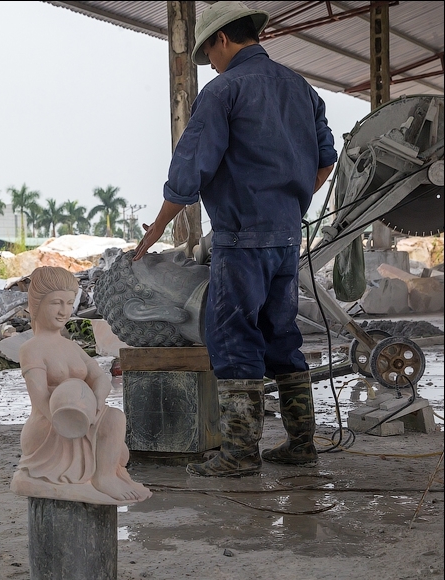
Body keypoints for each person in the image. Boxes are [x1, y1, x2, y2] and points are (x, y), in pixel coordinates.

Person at [132, 1, 337, 477]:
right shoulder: (300, 87)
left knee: (234, 338)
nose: (212, 63)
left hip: (241, 239)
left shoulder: (224, 91)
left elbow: (191, 168)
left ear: (222, 39)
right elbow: (327, 157)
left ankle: (240, 453)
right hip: (286, 238)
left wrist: (158, 228)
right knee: (282, 336)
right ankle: (301, 444)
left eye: (210, 53)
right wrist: (287, 202)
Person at [10, 266, 151, 505]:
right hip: (51, 426)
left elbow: (100, 378)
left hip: (85, 416)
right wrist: (77, 421)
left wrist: (96, 403)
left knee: (115, 418)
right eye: (56, 303)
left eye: (69, 302)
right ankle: (81, 477)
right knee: (107, 435)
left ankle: (105, 477)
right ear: (36, 304)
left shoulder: (71, 346)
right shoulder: (31, 349)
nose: (64, 311)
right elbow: (41, 401)